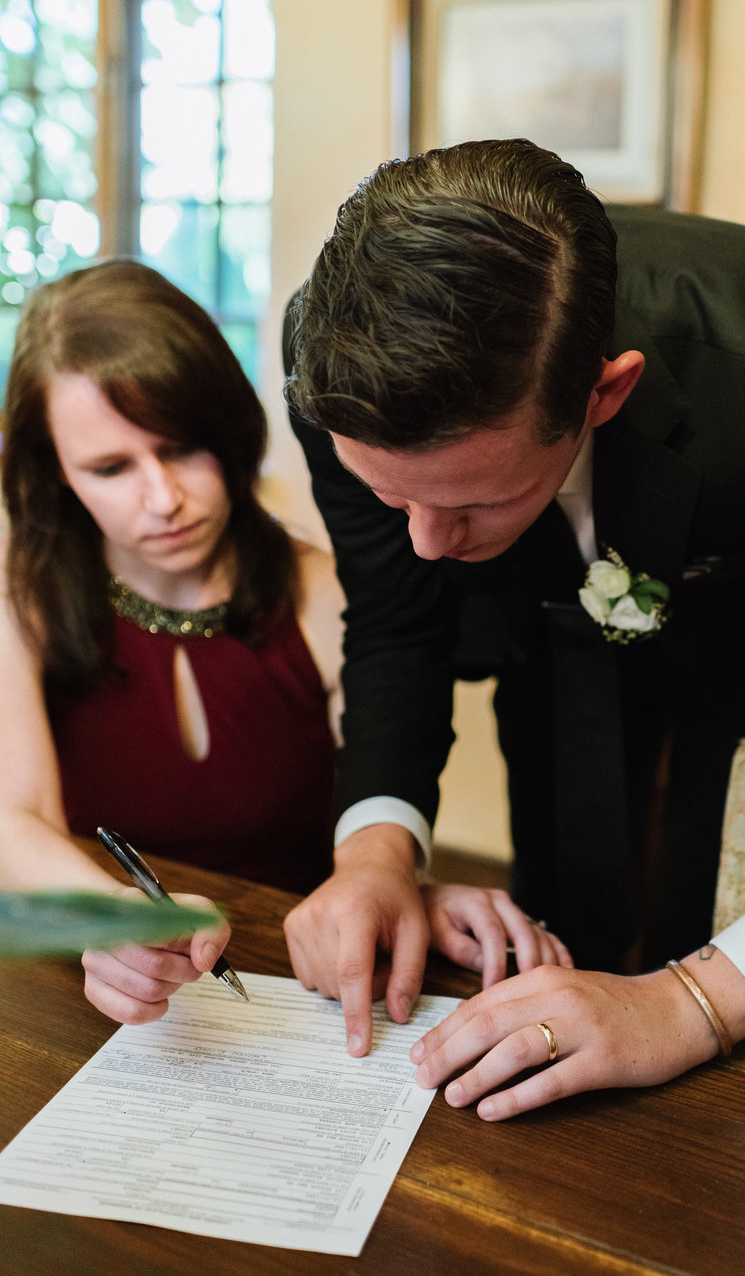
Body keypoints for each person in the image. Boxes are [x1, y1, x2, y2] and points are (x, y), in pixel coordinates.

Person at [284, 137, 745, 1120]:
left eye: (476, 502)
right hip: (549, 646)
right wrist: (373, 850)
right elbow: (401, 623)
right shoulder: (338, 370)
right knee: (568, 914)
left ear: (604, 393)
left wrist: (689, 1002)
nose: (425, 543)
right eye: (389, 496)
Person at [0, 258, 566, 1029]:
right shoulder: (22, 595)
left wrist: (398, 883)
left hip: (298, 993)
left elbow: (381, 776)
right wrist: (109, 924)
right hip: (103, 999)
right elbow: (15, 819)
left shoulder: (325, 591)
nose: (163, 499)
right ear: (57, 474)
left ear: (230, 433)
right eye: (109, 467)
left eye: (181, 449)